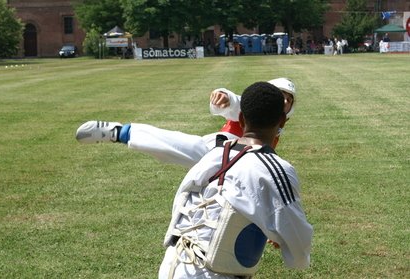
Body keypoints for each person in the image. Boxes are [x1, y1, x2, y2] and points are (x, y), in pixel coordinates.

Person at [158, 81, 313, 278]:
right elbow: (298, 244)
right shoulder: (276, 169)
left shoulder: (214, 154)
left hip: (172, 265)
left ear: (240, 118)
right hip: (211, 273)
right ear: (282, 121)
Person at [76, 78, 297, 168]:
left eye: (289, 98)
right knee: (168, 144)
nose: (285, 100)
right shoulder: (256, 110)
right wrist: (224, 96)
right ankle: (117, 132)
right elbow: (236, 102)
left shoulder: (277, 128)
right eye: (281, 95)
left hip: (230, 170)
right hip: (215, 151)